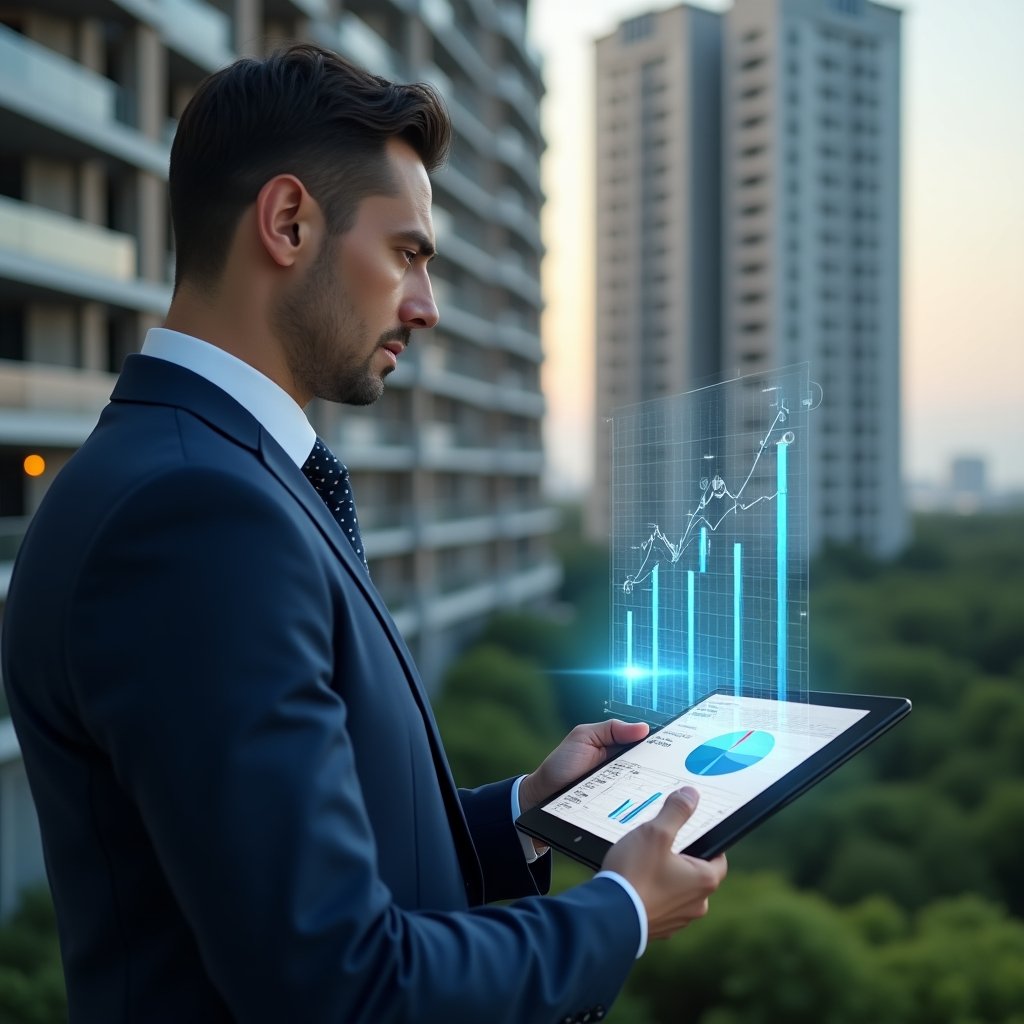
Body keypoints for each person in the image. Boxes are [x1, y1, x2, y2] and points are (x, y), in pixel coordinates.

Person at [1, 44, 726, 1023]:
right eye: (408, 253)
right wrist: (622, 911)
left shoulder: (208, 475)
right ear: (290, 222)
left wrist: (526, 814)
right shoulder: (196, 516)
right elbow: (336, 980)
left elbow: (285, 865)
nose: (425, 307)